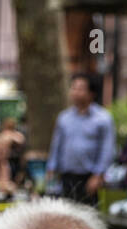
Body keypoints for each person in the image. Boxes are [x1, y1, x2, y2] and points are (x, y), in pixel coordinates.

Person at [46, 73, 116, 206]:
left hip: (89, 177)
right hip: (66, 176)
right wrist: (51, 169)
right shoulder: (64, 118)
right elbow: (56, 146)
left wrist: (98, 175)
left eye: (80, 88)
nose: (75, 92)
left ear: (91, 93)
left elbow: (107, 149)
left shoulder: (103, 119)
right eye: (73, 88)